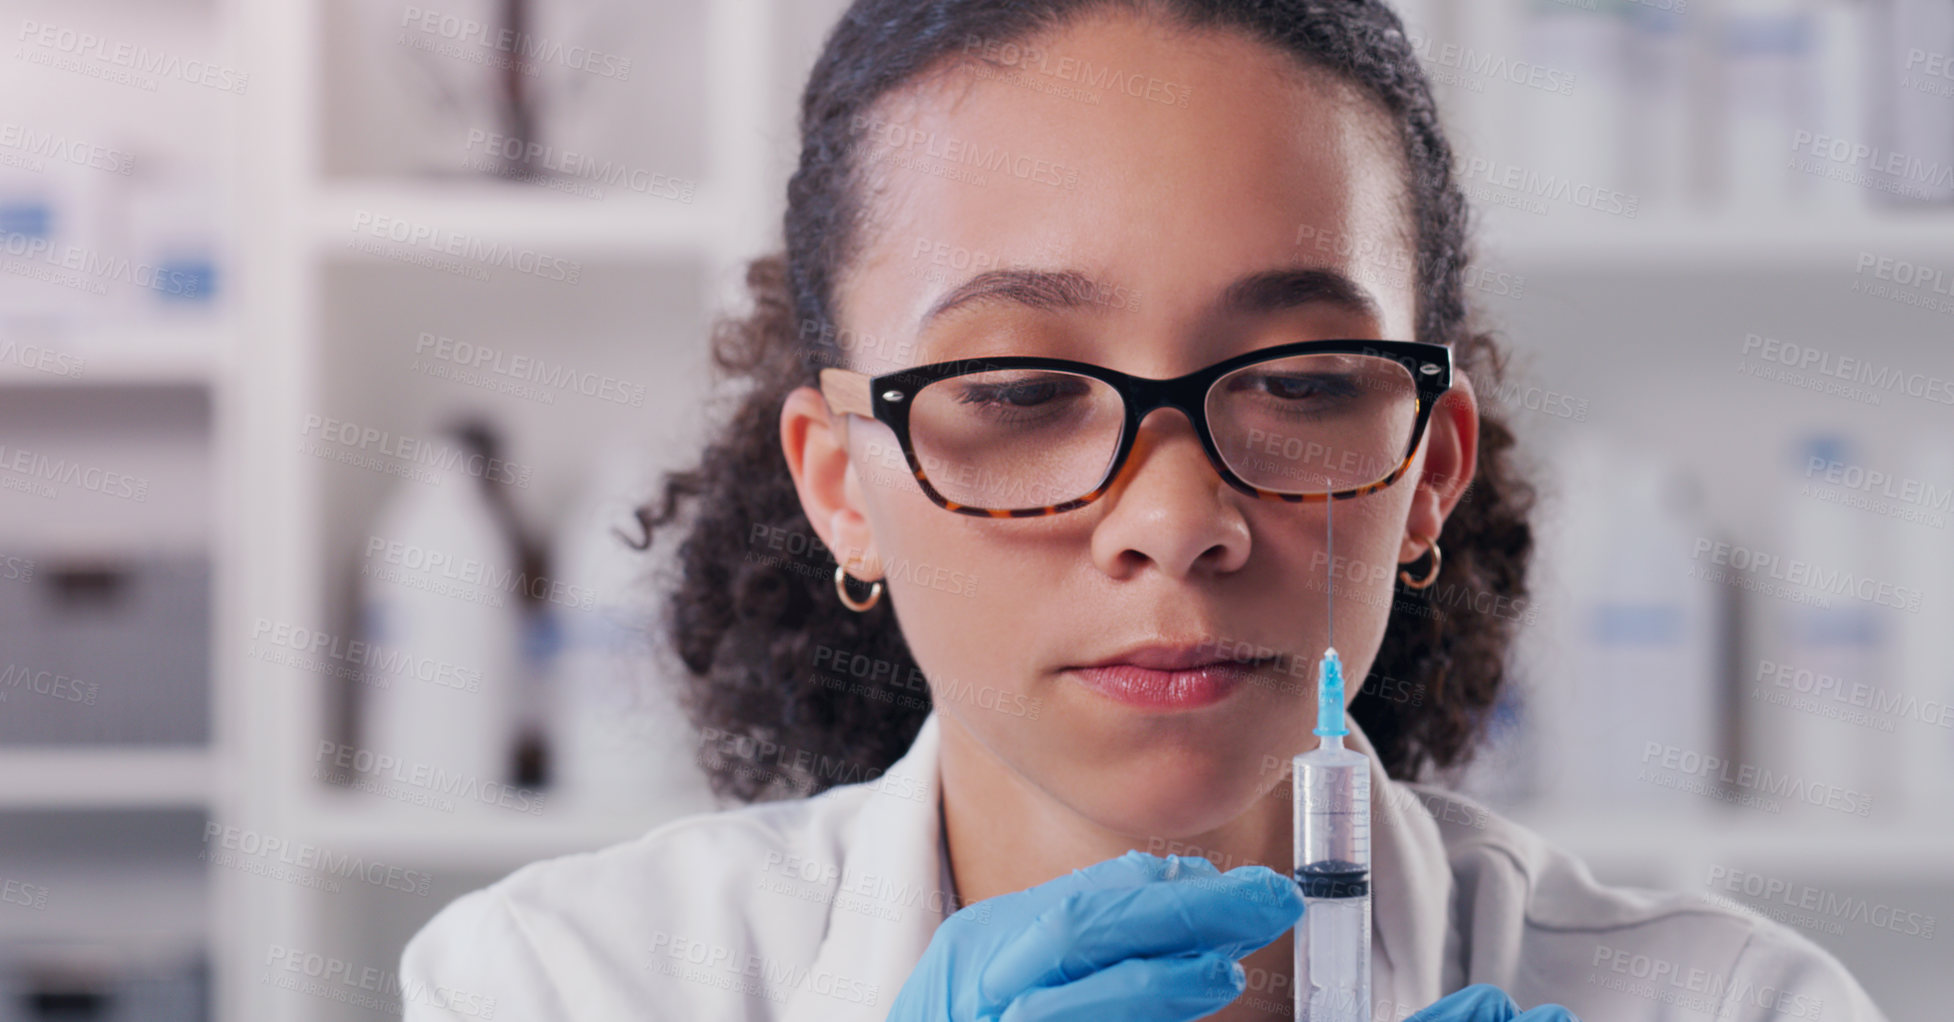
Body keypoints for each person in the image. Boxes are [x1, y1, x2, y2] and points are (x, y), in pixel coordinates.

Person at [399, 1, 1890, 1019]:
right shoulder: (561, 982)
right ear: (843, 484)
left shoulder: (1726, 1004)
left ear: (1428, 465)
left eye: (1303, 379)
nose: (1175, 519)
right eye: (1016, 388)